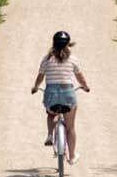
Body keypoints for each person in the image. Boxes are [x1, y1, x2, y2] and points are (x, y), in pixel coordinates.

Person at [31, 30, 90, 165]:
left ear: (53, 43)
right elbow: (80, 77)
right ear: (68, 44)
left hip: (51, 94)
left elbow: (40, 76)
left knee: (51, 114)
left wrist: (35, 87)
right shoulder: (73, 59)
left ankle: (50, 135)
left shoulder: (46, 59)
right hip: (68, 94)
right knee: (70, 128)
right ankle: (72, 156)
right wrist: (85, 87)